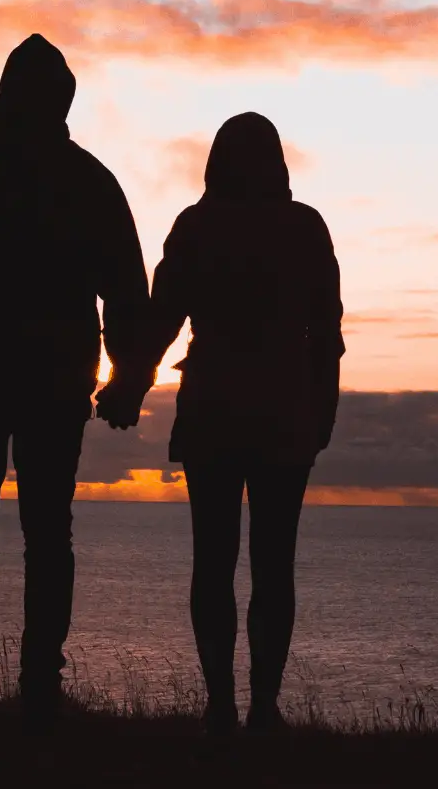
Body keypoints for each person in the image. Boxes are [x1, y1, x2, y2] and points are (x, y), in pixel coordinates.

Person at [0, 33, 154, 728]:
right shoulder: (82, 179)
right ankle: (23, 684)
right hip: (39, 377)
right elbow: (125, 289)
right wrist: (127, 373)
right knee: (38, 533)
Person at [110, 112, 343, 736]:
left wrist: (128, 385)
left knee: (213, 563)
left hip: (215, 410)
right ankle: (261, 708)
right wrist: (322, 411)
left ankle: (223, 707)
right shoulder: (304, 228)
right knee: (273, 565)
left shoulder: (197, 226)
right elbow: (327, 335)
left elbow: (162, 322)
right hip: (283, 415)